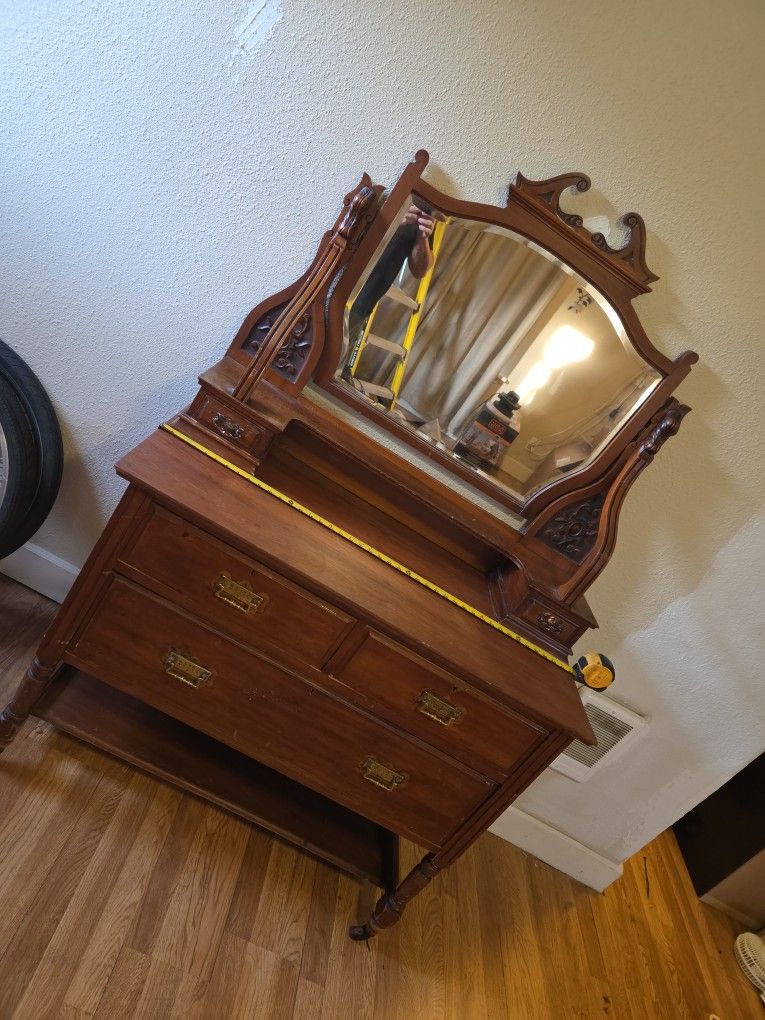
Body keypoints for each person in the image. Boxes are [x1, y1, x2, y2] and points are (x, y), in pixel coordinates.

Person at [345, 201, 441, 366]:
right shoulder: (391, 194)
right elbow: (348, 228)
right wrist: (396, 221)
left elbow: (419, 270)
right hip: (339, 288)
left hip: (362, 306)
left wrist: (422, 238)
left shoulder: (425, 214)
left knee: (329, 368)